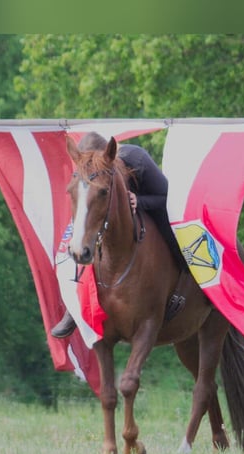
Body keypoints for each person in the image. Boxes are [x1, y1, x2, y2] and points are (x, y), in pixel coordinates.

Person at [51, 132, 188, 338]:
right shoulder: (83, 170)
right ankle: (73, 309)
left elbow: (167, 198)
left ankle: (191, 277)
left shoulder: (138, 160)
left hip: (152, 206)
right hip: (103, 214)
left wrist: (138, 201)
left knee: (175, 234)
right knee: (77, 240)